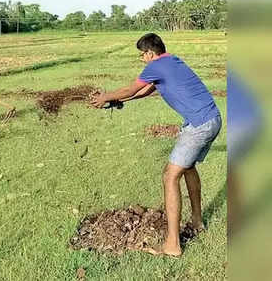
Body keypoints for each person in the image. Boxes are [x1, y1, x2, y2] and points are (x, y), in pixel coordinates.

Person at [91, 33, 222, 257]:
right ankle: (198, 221)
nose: (142, 59)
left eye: (142, 55)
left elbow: (132, 88)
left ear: (150, 53)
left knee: (169, 176)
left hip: (198, 125)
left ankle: (172, 245)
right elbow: (147, 90)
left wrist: (106, 96)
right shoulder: (172, 61)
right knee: (188, 167)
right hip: (212, 118)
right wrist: (117, 100)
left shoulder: (157, 65)